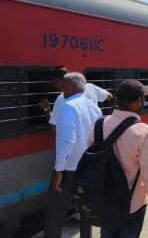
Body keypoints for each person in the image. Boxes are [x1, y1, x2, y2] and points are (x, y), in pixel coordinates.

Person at [88, 79, 148, 237]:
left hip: (104, 200)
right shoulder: (142, 131)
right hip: (132, 204)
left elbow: (90, 160)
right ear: (139, 101)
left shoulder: (99, 124)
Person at [44, 72, 102, 238]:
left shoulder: (68, 106)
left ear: (72, 86)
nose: (61, 87)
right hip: (87, 168)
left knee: (56, 212)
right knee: (85, 208)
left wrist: (58, 171)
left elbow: (68, 140)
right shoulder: (94, 108)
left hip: (69, 171)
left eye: (64, 84)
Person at [39, 67, 113, 130]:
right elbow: (109, 96)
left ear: (61, 81)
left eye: (52, 81)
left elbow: (55, 126)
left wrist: (47, 109)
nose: (51, 84)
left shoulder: (61, 98)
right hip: (93, 136)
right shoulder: (90, 87)